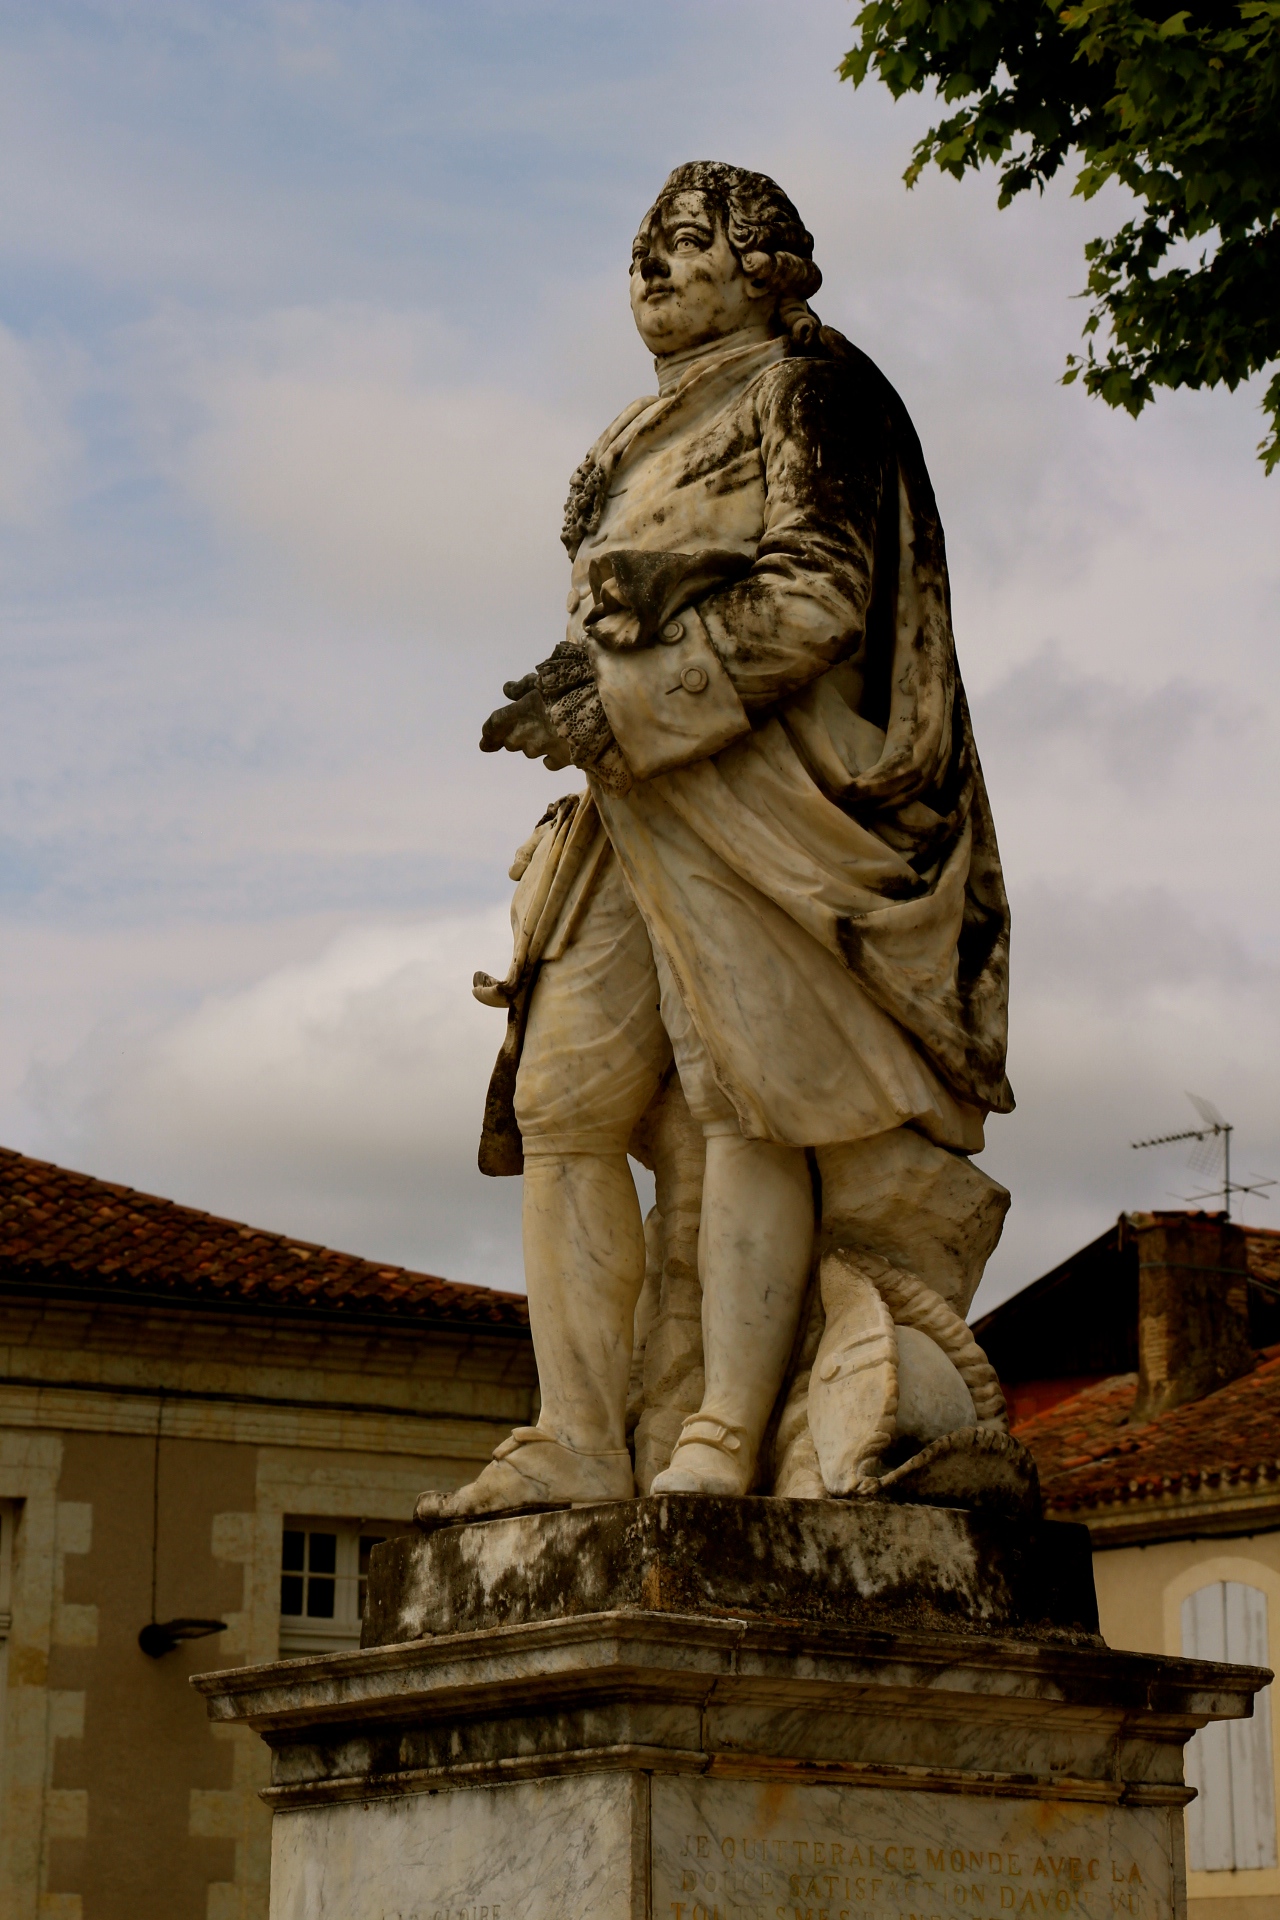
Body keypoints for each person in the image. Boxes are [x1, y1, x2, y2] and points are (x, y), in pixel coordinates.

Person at [414, 161, 1012, 1527]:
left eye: (688, 240)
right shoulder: (640, 429)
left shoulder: (808, 394)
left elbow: (821, 596)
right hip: (629, 802)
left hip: (760, 801)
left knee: (749, 1097)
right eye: (642, 244)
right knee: (563, 1101)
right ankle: (578, 1436)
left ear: (767, 265)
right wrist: (589, 700)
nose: (652, 265)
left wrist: (628, 693)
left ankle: (728, 1432)